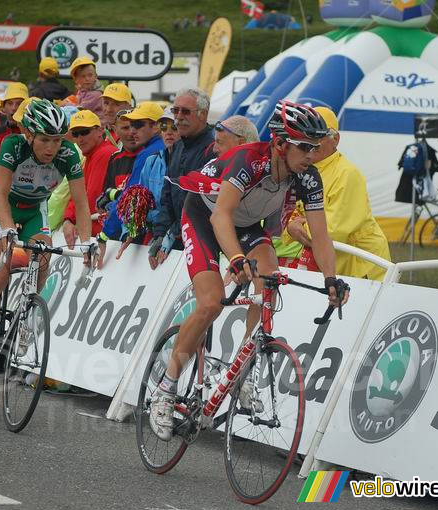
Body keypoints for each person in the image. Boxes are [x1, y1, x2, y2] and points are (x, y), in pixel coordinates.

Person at [148, 100, 350, 441]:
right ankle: (165, 389)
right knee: (211, 303)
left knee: (268, 283)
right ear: (281, 143)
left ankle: (242, 371)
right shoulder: (249, 160)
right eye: (305, 147)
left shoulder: (307, 177)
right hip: (205, 216)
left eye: (316, 148)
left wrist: (331, 279)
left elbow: (322, 235)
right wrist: (238, 259)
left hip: (243, 224)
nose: (312, 155)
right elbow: (220, 217)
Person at [0, 100, 93, 381]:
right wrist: (8, 231)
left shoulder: (69, 154)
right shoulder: (12, 146)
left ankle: (25, 314)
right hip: (4, 207)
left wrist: (87, 241)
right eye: (45, 140)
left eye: (57, 140)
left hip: (36, 210)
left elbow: (82, 203)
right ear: (30, 135)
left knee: (43, 257)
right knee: (0, 270)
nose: (51, 148)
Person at [278, 106, 390, 280]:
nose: (311, 144)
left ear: (335, 139)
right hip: (332, 262)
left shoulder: (347, 173)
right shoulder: (302, 169)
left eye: (318, 137)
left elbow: (331, 230)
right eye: (305, 138)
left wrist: (293, 228)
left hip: (361, 268)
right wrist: (291, 227)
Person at [150, 87, 215, 267]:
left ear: (203, 114)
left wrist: (174, 230)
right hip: (178, 240)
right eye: (175, 110)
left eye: (185, 111)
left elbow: (205, 203)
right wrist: (160, 233)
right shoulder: (177, 147)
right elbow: (168, 195)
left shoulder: (213, 148)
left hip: (203, 242)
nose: (178, 117)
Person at [98, 102, 166, 258]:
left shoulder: (148, 153)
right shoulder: (165, 147)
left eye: (138, 124)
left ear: (156, 127)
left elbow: (128, 200)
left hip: (154, 234)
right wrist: (114, 195)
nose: (133, 130)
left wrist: (104, 235)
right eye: (130, 125)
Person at [62, 110, 117, 246]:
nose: (80, 138)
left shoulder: (104, 153)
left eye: (85, 132)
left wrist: (70, 219)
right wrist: (68, 219)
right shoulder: (92, 154)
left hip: (100, 234)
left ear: (99, 131)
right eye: (75, 134)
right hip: (95, 231)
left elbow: (91, 197)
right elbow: (79, 194)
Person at [100, 83, 134, 148]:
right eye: (106, 103)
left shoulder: (134, 136)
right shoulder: (100, 132)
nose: (109, 109)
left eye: (116, 104)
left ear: (128, 107)